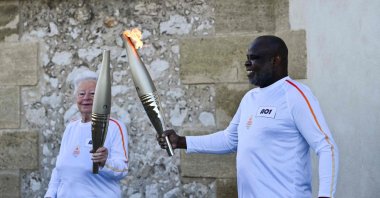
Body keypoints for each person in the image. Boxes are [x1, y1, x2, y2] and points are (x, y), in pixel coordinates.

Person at [157, 35, 339, 198]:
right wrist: (181, 142)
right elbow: (229, 140)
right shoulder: (250, 98)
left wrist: (325, 196)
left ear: (276, 60)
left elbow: (326, 147)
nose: (247, 63)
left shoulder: (296, 95)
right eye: (247, 58)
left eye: (254, 58)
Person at [45, 71, 128, 198]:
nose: (86, 98)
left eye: (93, 94)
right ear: (76, 98)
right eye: (81, 94)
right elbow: (59, 170)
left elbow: (122, 169)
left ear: (102, 98)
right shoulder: (71, 128)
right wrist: (50, 195)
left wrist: (105, 162)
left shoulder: (114, 127)